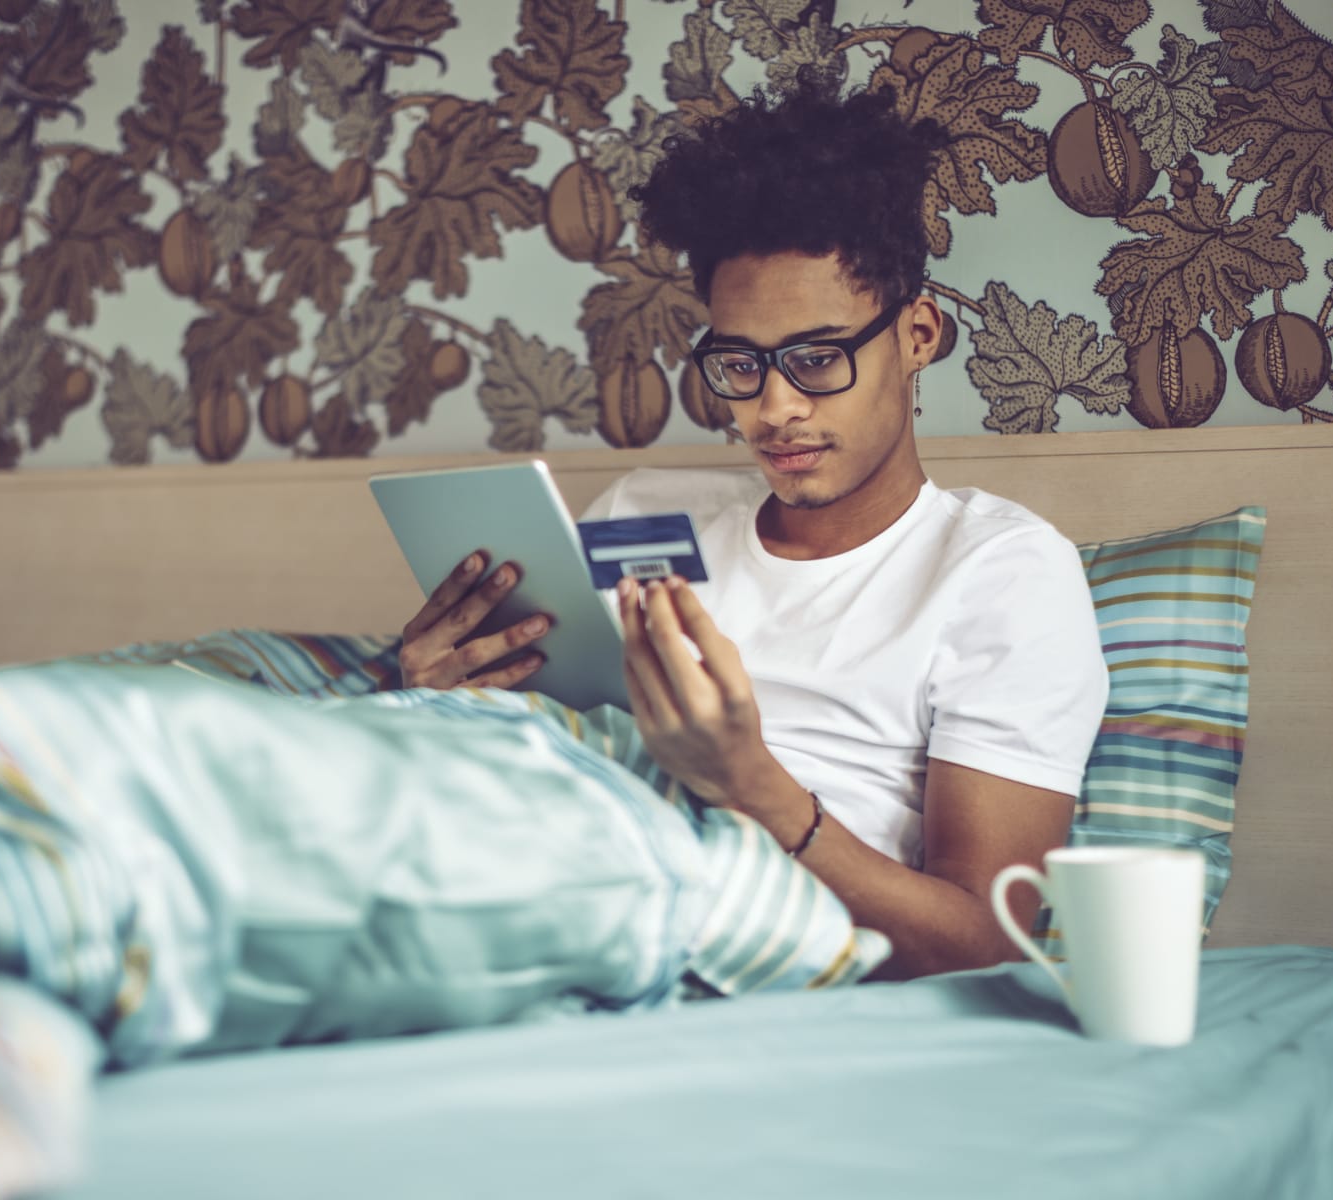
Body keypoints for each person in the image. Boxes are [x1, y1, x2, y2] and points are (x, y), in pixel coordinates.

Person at [392, 78, 1108, 981]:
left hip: (726, 937)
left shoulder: (1001, 570)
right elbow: (539, 750)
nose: (775, 409)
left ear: (919, 332)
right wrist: (436, 703)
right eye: (739, 364)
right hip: (535, 873)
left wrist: (751, 785)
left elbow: (980, 945)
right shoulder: (643, 509)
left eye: (818, 358)